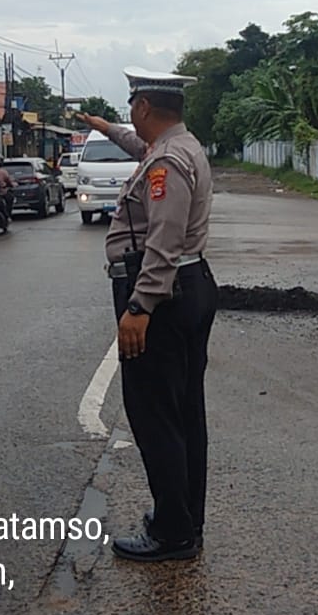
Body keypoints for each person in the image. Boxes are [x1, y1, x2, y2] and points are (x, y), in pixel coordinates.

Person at [77, 66, 218, 563]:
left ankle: (174, 532)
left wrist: (140, 305)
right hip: (186, 287)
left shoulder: (168, 162)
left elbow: (165, 238)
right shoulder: (176, 146)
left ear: (142, 106)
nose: (130, 116)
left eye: (130, 108)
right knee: (182, 412)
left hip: (163, 294)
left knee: (155, 414)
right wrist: (104, 127)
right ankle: (182, 519)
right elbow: (139, 146)